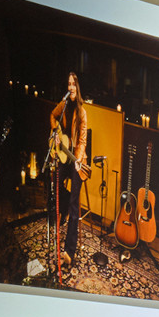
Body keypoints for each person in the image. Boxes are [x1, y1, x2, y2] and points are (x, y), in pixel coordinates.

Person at [48, 73, 90, 286]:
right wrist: (56, 131)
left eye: (74, 83)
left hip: (76, 159)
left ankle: (69, 251)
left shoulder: (82, 112)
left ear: (78, 87)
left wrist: (79, 159)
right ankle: (60, 210)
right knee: (53, 185)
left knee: (74, 203)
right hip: (63, 154)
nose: (70, 86)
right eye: (68, 83)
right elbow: (52, 116)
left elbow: (82, 140)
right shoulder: (63, 105)